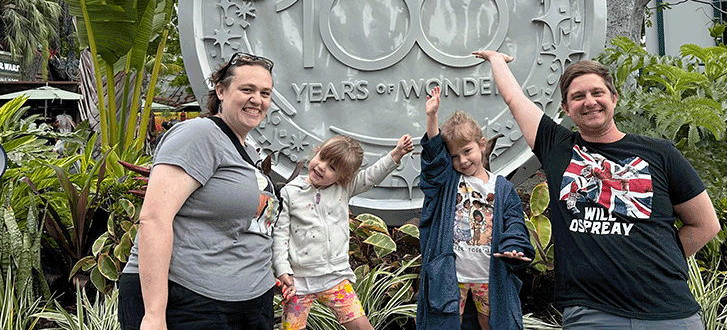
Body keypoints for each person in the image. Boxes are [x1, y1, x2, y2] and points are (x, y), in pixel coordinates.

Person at [473, 51, 721, 329]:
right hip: (592, 314)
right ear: (566, 108)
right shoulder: (557, 147)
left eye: (597, 93)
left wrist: (653, 263)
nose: (589, 102)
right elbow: (514, 99)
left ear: (614, 98)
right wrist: (496, 59)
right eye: (578, 97)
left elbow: (705, 224)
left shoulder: (660, 154)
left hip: (669, 312)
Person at [118, 52, 279, 330]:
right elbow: (154, 220)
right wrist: (154, 316)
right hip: (192, 302)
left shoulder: (249, 150)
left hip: (249, 303)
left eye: (265, 93)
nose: (258, 100)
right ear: (221, 91)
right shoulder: (199, 135)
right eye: (247, 89)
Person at [417, 86, 534, 330]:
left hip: (488, 275)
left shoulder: (502, 188)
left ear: (482, 145)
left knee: (490, 322)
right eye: (455, 156)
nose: (462, 161)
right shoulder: (448, 182)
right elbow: (434, 159)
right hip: (451, 276)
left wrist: (513, 247)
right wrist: (432, 117)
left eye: (467, 151)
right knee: (447, 322)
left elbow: (514, 222)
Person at [273, 133, 414, 330]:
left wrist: (396, 154)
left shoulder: (342, 189)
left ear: (342, 177)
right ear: (316, 152)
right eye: (322, 158)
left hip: (335, 278)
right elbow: (280, 234)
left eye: (332, 168)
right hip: (299, 282)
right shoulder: (290, 192)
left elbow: (371, 175)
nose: (322, 167)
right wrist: (282, 269)